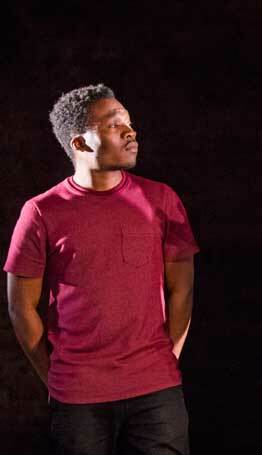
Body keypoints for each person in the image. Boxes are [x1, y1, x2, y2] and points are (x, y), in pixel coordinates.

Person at [5, 84, 199, 455]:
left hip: (156, 391)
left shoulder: (161, 199)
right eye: (114, 125)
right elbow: (20, 306)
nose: (130, 131)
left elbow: (183, 290)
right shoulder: (41, 211)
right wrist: (57, 379)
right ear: (79, 144)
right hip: (79, 396)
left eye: (129, 123)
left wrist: (164, 361)